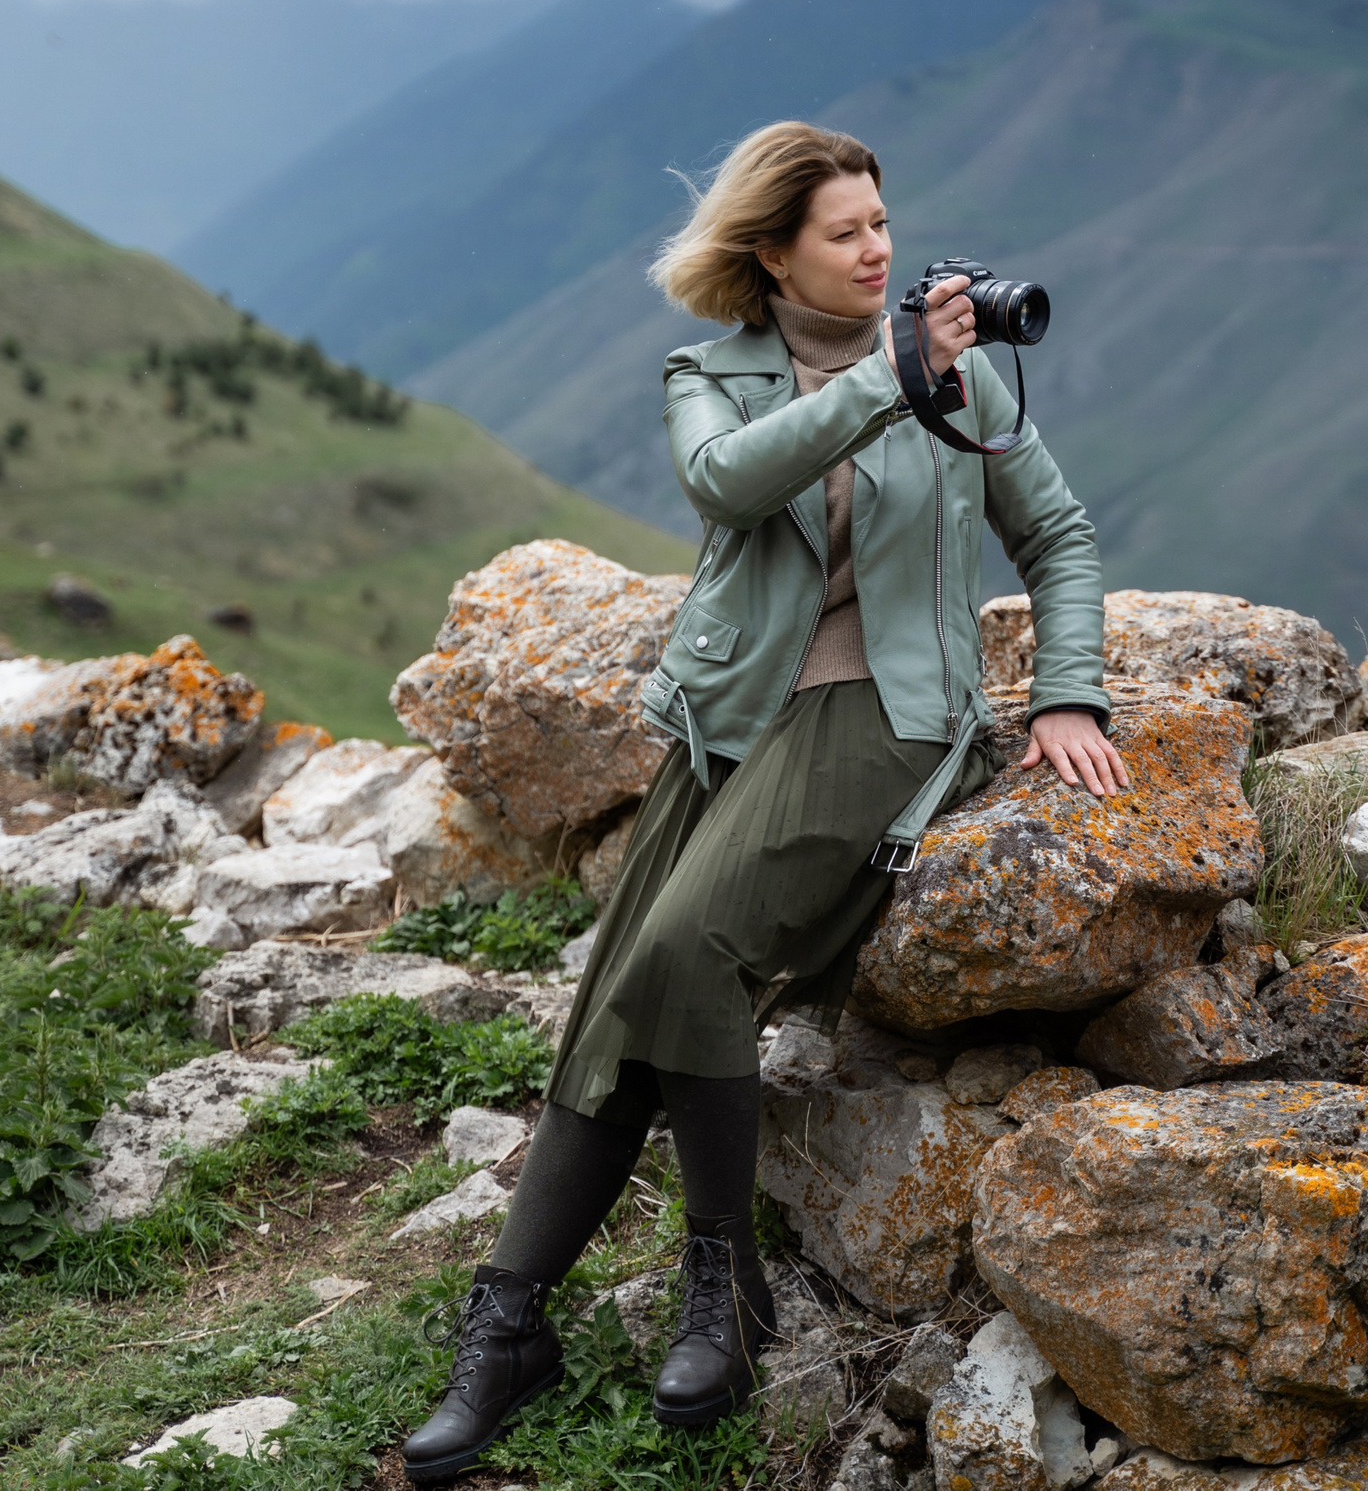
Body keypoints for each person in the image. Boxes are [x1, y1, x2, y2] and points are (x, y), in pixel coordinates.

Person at [401, 120, 1125, 1482]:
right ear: (773, 253)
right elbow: (728, 481)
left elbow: (1062, 538)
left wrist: (1070, 692)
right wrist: (890, 384)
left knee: (685, 953)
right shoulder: (714, 375)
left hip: (890, 715)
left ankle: (722, 1292)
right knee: (617, 1009)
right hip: (736, 721)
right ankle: (509, 1328)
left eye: (883, 223)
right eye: (846, 232)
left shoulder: (961, 379)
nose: (880, 250)